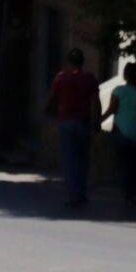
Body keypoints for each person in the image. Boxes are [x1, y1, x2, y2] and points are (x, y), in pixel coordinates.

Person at [46, 48, 99, 208]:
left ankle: (73, 195)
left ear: (68, 62)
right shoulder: (89, 78)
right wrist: (97, 121)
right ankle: (81, 193)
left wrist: (47, 112)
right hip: (83, 122)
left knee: (69, 160)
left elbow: (52, 98)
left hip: (65, 122)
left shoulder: (61, 77)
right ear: (82, 62)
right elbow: (95, 102)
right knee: (82, 160)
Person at [103, 61, 136, 208]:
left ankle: (127, 194)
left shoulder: (118, 91)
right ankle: (134, 194)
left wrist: (98, 121)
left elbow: (111, 110)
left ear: (125, 75)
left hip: (122, 134)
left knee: (124, 165)